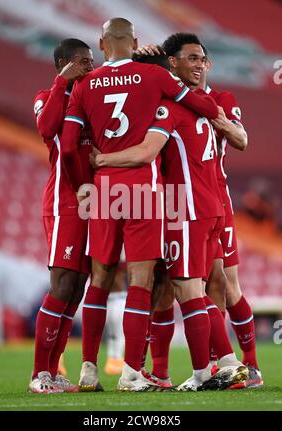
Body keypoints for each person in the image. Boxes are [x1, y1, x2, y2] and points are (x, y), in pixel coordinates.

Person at [60, 18, 219, 392]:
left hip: (102, 191)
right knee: (141, 281)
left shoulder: (84, 84)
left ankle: (88, 370)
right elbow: (196, 101)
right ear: (133, 41)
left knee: (99, 281)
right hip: (143, 190)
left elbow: (68, 146)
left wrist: (82, 185)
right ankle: (132, 373)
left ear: (101, 44)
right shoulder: (155, 78)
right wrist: (218, 116)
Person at [90, 34, 249, 391]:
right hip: (210, 206)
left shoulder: (168, 110)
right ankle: (204, 368)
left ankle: (219, 367)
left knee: (188, 287)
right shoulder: (203, 105)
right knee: (194, 286)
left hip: (186, 207)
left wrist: (102, 159)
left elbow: (147, 152)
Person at [29, 39, 94, 393]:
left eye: (91, 60)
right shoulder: (47, 94)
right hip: (65, 201)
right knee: (63, 284)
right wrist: (61, 83)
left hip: (96, 203)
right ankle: (39, 374)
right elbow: (46, 129)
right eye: (83, 61)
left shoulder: (92, 96)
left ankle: (53, 372)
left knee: (77, 291)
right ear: (63, 64)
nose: (90, 66)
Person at [199, 46, 263, 388]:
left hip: (216, 199)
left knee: (224, 281)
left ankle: (250, 364)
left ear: (208, 64)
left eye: (200, 60)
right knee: (188, 284)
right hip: (179, 200)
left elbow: (241, 139)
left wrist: (216, 116)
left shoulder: (222, 98)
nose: (196, 66)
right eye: (188, 59)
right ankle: (213, 362)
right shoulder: (169, 96)